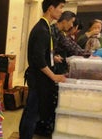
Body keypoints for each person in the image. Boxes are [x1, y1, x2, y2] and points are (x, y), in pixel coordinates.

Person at [19, 0, 67, 139]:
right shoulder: (42, 30)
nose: (61, 11)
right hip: (38, 79)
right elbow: (39, 60)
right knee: (32, 114)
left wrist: (53, 57)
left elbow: (43, 54)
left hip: (39, 78)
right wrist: (54, 76)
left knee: (31, 111)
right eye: (60, 7)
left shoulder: (45, 27)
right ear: (51, 8)